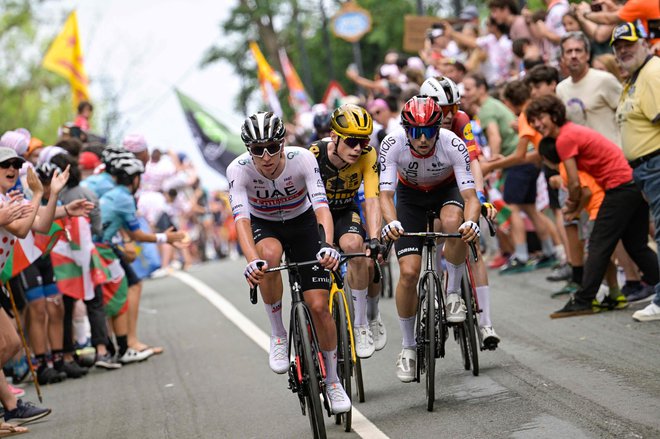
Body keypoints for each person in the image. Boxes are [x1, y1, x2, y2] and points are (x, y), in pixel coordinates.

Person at [227, 112, 350, 415]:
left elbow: (322, 207)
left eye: (272, 146)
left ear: (283, 143)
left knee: (320, 307)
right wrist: (252, 261)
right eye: (258, 149)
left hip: (303, 223)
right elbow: (241, 220)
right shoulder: (238, 170)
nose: (266, 156)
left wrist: (327, 245)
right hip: (265, 225)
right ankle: (278, 333)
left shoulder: (303, 159)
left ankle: (333, 381)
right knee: (267, 257)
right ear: (248, 149)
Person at [525, 95, 658, 318]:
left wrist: (571, 205)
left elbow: (575, 183)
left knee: (598, 243)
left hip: (621, 187)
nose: (538, 125)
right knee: (636, 245)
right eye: (533, 122)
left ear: (554, 115)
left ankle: (584, 299)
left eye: (540, 118)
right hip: (629, 183)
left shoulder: (565, 138)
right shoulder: (569, 133)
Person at [379, 96, 481, 382]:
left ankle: (452, 294)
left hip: (445, 191)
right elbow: (385, 196)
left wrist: (471, 222)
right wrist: (392, 222)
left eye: (428, 132)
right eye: (414, 132)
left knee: (454, 224)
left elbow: (470, 197)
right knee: (409, 273)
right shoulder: (392, 144)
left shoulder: (452, 143)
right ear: (405, 130)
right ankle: (408, 348)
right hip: (410, 198)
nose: (422, 139)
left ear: (438, 128)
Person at [420, 77, 500, 348]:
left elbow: (474, 160)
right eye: (443, 110)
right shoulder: (416, 121)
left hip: (457, 182)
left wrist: (479, 197)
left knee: (471, 239)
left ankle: (486, 323)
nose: (448, 116)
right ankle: (434, 284)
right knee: (437, 229)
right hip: (426, 186)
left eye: (452, 108)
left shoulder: (460, 120)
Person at [308, 104, 384, 358]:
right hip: (315, 215)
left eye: (363, 142)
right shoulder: (314, 154)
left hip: (344, 211)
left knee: (356, 248)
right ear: (334, 136)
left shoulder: (368, 155)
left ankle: (362, 324)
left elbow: (372, 199)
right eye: (351, 141)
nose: (357, 149)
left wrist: (373, 239)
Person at [99, 154, 187, 363]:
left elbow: (125, 230)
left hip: (104, 246)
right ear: (134, 179)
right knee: (123, 291)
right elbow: (137, 234)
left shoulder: (114, 195)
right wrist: (167, 237)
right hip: (103, 249)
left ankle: (122, 344)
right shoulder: (124, 198)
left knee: (127, 287)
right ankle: (125, 346)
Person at [610, 22, 660, 321]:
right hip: (645, 168)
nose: (623, 50)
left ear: (644, 43)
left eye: (629, 43)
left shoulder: (653, 72)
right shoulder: (637, 76)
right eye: (618, 46)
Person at [556, 31, 622, 145]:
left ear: (587, 55)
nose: (573, 56)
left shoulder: (604, 80)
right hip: (585, 158)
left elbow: (627, 115)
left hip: (613, 156)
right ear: (562, 57)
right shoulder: (561, 89)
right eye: (568, 51)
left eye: (578, 50)